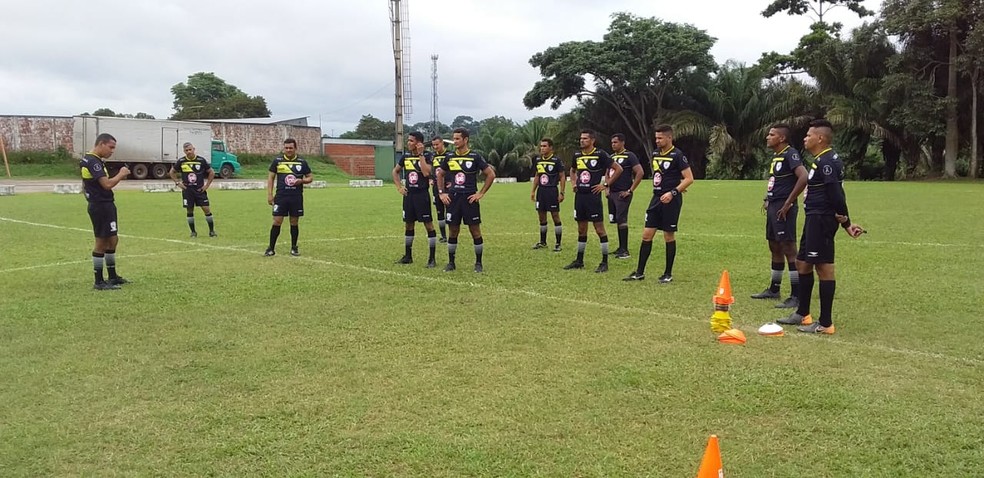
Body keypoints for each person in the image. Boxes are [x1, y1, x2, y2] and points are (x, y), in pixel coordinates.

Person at [777, 119, 864, 334]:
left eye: (808, 135)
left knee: (824, 267)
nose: (805, 138)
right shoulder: (821, 159)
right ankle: (802, 313)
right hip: (813, 218)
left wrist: (847, 223)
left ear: (820, 138)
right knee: (803, 263)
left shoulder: (827, 162)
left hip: (822, 219)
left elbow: (837, 195)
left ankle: (825, 323)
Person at [624, 124, 694, 283]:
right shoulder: (655, 153)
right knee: (646, 234)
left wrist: (673, 192)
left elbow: (689, 178)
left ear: (670, 137)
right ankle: (639, 272)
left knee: (668, 235)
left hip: (671, 200)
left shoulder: (678, 155)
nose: (657, 141)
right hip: (656, 199)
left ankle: (668, 273)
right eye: (656, 138)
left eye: (660, 138)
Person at [750, 124, 807, 308]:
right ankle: (774, 289)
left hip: (784, 207)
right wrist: (769, 198)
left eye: (772, 134)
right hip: (774, 205)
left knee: (789, 248)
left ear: (782, 138)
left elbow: (804, 177)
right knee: (774, 246)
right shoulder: (777, 155)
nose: (767, 137)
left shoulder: (791, 154)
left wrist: (788, 202)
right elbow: (778, 181)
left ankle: (797, 295)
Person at [436, 128, 496, 273]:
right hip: (453, 199)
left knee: (475, 230)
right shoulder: (449, 157)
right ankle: (451, 263)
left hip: (469, 198)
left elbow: (490, 174)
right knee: (453, 231)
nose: (455, 141)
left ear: (465, 140)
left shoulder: (475, 156)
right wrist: (441, 193)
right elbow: (439, 175)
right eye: (454, 138)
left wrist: (480, 193)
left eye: (457, 139)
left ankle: (478, 263)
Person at [564, 129, 622, 273]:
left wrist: (606, 184)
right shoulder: (577, 155)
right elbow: (572, 170)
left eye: (585, 138)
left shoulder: (600, 154)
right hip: (580, 197)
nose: (581, 141)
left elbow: (618, 169)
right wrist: (573, 183)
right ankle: (579, 260)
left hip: (593, 196)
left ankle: (604, 262)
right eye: (580, 138)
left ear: (592, 140)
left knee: (599, 229)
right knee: (581, 229)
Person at [80, 133, 130, 290]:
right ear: (101, 144)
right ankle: (99, 281)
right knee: (101, 242)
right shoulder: (93, 162)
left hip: (105, 204)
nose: (112, 151)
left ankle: (113, 276)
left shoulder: (92, 160)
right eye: (111, 147)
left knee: (113, 239)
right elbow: (107, 184)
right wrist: (121, 174)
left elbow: (84, 184)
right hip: (100, 206)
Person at [392, 132, 438, 268]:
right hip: (409, 195)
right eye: (408, 140)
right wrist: (399, 187)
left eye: (411, 141)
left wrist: (421, 155)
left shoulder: (428, 156)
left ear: (418, 143)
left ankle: (432, 258)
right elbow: (395, 171)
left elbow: (426, 173)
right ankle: (408, 256)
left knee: (428, 225)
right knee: (408, 224)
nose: (408, 143)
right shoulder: (405, 156)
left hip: (422, 195)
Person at [265, 138, 312, 257]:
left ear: (295, 148)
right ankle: (270, 248)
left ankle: (294, 247)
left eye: (291, 148)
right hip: (281, 196)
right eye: (286, 148)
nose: (288, 150)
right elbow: (271, 177)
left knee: (294, 221)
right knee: (277, 221)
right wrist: (270, 194)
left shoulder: (302, 162)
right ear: (283, 148)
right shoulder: (277, 161)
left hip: (296, 197)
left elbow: (310, 177)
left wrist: (301, 181)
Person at [608, 133, 644, 259]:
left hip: (623, 193)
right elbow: (607, 172)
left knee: (622, 219)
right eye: (612, 142)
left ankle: (625, 250)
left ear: (623, 142)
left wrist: (630, 190)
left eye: (615, 142)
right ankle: (620, 247)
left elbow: (640, 172)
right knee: (616, 219)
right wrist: (607, 187)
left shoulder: (630, 156)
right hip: (612, 193)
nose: (613, 144)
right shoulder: (611, 156)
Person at [169, 142, 217, 238]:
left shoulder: (201, 160)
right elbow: (172, 172)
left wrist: (207, 185)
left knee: (206, 209)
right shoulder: (181, 161)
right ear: (184, 151)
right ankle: (193, 232)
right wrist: (178, 183)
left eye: (190, 149)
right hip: (187, 191)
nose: (189, 152)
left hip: (199, 190)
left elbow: (211, 172)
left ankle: (212, 231)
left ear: (194, 149)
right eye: (186, 150)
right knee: (189, 210)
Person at [530, 138, 566, 252]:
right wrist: (533, 191)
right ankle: (543, 242)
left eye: (544, 146)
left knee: (555, 216)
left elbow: (562, 176)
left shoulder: (556, 161)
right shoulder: (538, 160)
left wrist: (562, 192)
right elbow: (537, 175)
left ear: (551, 147)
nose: (542, 148)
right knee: (541, 216)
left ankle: (558, 243)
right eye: (541, 146)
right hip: (541, 191)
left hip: (552, 191)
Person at [430, 135, 450, 243]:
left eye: (437, 144)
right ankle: (443, 236)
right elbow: (432, 170)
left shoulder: (450, 155)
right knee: (439, 212)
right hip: (437, 188)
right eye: (433, 145)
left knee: (450, 211)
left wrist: (452, 182)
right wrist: (431, 179)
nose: (435, 147)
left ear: (442, 143)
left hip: (448, 188)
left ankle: (452, 234)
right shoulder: (433, 157)